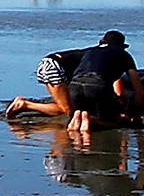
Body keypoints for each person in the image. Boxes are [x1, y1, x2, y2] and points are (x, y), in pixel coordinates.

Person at [7, 31, 144, 144]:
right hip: (59, 68)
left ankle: (79, 120)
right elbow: (123, 85)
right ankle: (25, 105)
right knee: (66, 110)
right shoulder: (122, 55)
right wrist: (132, 109)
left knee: (71, 108)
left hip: (49, 65)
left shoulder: (91, 51)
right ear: (122, 46)